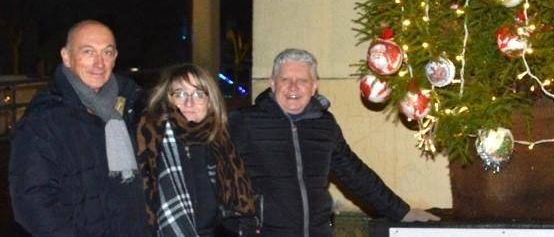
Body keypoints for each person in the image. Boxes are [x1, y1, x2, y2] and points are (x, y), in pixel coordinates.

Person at [229, 48, 440, 236]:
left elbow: (354, 174)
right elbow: (220, 177)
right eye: (285, 80)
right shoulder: (245, 121)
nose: (293, 87)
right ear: (272, 84)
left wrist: (402, 211)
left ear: (314, 87)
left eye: (302, 81)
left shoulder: (324, 124)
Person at [8, 19, 151, 236]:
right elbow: (32, 201)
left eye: (107, 52)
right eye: (88, 52)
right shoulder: (44, 121)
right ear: (66, 57)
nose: (99, 63)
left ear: (115, 57)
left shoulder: (133, 107)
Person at [136, 63, 259, 236]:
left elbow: (236, 212)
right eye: (180, 94)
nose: (189, 102)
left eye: (199, 94)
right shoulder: (150, 140)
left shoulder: (221, 142)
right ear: (166, 100)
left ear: (210, 102)